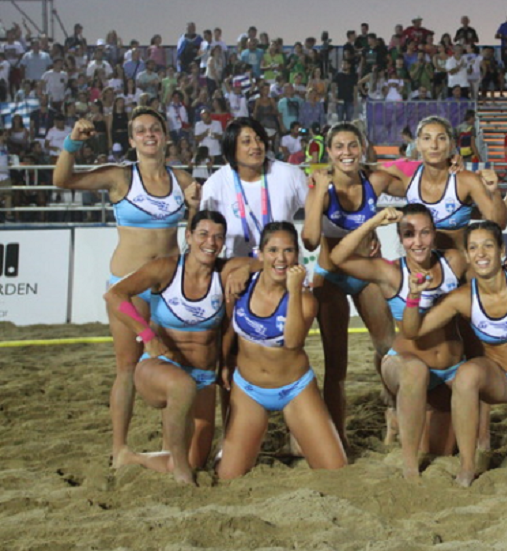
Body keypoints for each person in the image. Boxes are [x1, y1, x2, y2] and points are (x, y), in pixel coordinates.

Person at [53, 106, 201, 469]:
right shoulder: (120, 177)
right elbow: (63, 181)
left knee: (173, 367)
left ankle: (170, 447)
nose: (149, 134)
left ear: (165, 136)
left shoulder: (181, 179)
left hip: (166, 289)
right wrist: (72, 144)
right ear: (132, 139)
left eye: (155, 129)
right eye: (141, 130)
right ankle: (119, 450)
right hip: (126, 288)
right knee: (126, 368)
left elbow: (193, 234)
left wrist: (195, 208)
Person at [401, 221, 507, 487]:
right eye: (474, 248)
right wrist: (413, 296)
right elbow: (413, 331)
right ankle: (467, 466)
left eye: (488, 246)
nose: (481, 254)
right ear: (466, 255)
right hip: (505, 381)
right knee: (466, 376)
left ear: (502, 249)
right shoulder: (463, 298)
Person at [329, 205, 467, 478]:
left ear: (434, 234)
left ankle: (399, 420)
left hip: (448, 368)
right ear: (400, 239)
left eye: (425, 233)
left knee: (442, 450)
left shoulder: (454, 261)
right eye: (409, 234)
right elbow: (338, 257)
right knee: (415, 373)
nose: (417, 241)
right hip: (406, 364)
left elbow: (491, 268)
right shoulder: (391, 272)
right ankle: (409, 467)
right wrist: (374, 222)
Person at [104, 210, 229, 484]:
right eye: (203, 234)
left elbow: (260, 265)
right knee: (181, 387)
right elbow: (115, 295)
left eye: (218, 237)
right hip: (161, 367)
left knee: (195, 458)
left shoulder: (225, 271)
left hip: (203, 375)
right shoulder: (166, 268)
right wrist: (146, 334)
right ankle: (182, 476)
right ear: (188, 236)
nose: (211, 242)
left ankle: (131, 457)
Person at [217, 222, 347, 479]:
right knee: (228, 477)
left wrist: (295, 290)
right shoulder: (242, 282)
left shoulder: (306, 299)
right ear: (260, 253)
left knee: (336, 472)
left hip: (294, 388)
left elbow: (293, 342)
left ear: (297, 256)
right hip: (249, 389)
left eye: (288, 251)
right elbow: (228, 327)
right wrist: (223, 362)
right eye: (273, 250)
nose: (281, 258)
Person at [300, 123, 400, 448]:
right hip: (330, 277)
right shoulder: (319, 186)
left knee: (388, 348)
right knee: (336, 364)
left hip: (365, 274)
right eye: (339, 147)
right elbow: (311, 240)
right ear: (329, 152)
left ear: (362, 147)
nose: (346, 152)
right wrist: (318, 193)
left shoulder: (376, 179)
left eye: (352, 145)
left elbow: (422, 185)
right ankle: (338, 436)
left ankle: (394, 414)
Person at [380, 116, 507, 251]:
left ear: (451, 144)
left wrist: (495, 192)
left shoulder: (466, 180)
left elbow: (499, 224)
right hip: (421, 264)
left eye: (441, 138)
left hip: (457, 265)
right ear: (418, 144)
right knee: (377, 178)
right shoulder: (408, 173)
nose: (434, 145)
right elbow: (367, 168)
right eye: (427, 138)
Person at [201, 117, 308, 259]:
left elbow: (317, 215)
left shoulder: (290, 174)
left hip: (283, 268)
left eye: (259, 139)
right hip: (238, 272)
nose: (256, 146)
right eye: (246, 141)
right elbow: (204, 236)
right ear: (232, 148)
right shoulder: (215, 184)